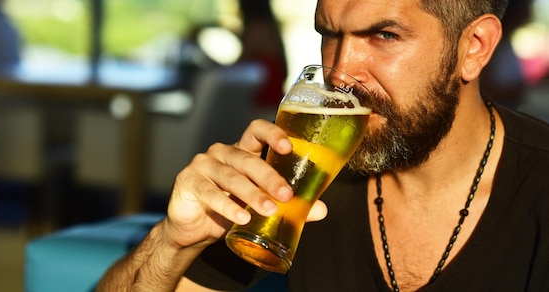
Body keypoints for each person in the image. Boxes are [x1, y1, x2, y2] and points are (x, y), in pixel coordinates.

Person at [97, 0, 549, 291]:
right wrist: (172, 242)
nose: (339, 72)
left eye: (384, 36)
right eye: (330, 35)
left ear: (474, 46)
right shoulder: (304, 166)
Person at [237, 0, 288, 110]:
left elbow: (238, 67)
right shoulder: (272, 28)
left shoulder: (257, 27)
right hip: (276, 99)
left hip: (263, 103)